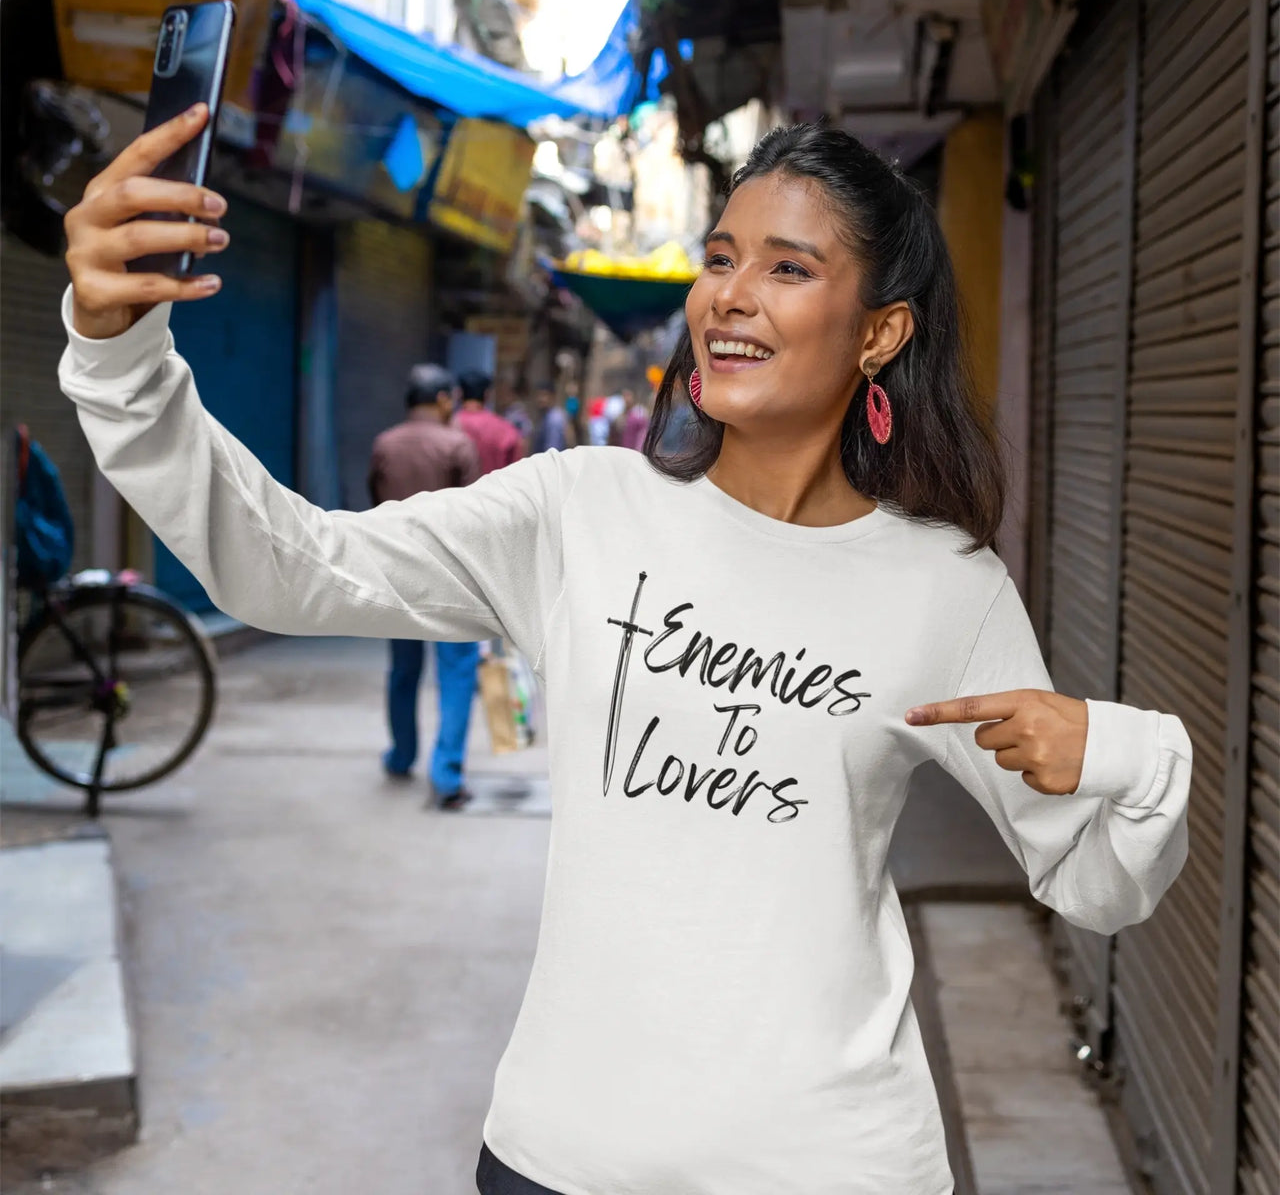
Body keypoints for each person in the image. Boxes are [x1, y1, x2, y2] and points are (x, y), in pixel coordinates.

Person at [59, 108, 1192, 1195]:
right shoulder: (578, 508)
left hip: (832, 1163)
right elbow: (286, 564)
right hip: (565, 1155)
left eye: (786, 269)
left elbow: (1090, 883)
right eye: (719, 257)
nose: (730, 299)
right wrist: (123, 364)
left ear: (881, 330)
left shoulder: (941, 589)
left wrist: (1131, 755)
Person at [368, 363, 481, 809]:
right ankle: (447, 774)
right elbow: (477, 519)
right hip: (451, 580)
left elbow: (375, 504)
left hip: (397, 575)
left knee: (403, 672)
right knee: (456, 674)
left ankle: (401, 756)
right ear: (442, 400)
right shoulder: (457, 444)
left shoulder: (384, 444)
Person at [454, 370, 524, 475]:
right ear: (487, 394)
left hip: (453, 491)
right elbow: (516, 472)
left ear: (460, 394)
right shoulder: (506, 429)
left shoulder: (448, 426)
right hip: (495, 491)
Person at [530, 382, 569, 453]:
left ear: (553, 396)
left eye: (544, 395)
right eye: (538, 395)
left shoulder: (554, 418)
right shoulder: (545, 415)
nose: (540, 399)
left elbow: (552, 449)